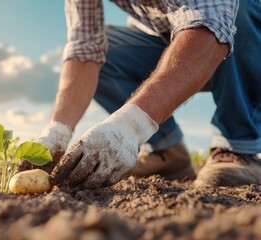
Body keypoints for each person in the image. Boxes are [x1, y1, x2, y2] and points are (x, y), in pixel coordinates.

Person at [18, 0, 261, 188]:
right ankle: (167, 152)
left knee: (241, 8)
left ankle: (239, 146)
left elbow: (211, 22)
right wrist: (56, 133)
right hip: (170, 38)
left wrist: (132, 126)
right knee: (107, 50)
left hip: (237, 34)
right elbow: (85, 50)